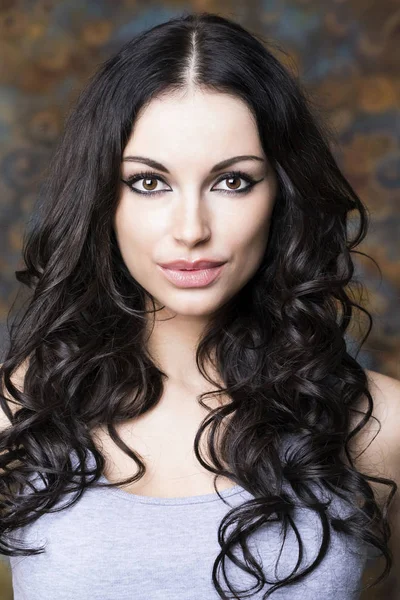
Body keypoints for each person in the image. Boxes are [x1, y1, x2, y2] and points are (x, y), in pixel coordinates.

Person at [1, 11, 399, 600]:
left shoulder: (381, 424)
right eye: (148, 182)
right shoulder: (14, 418)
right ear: (101, 198)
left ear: (281, 195)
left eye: (232, 181)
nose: (191, 229)